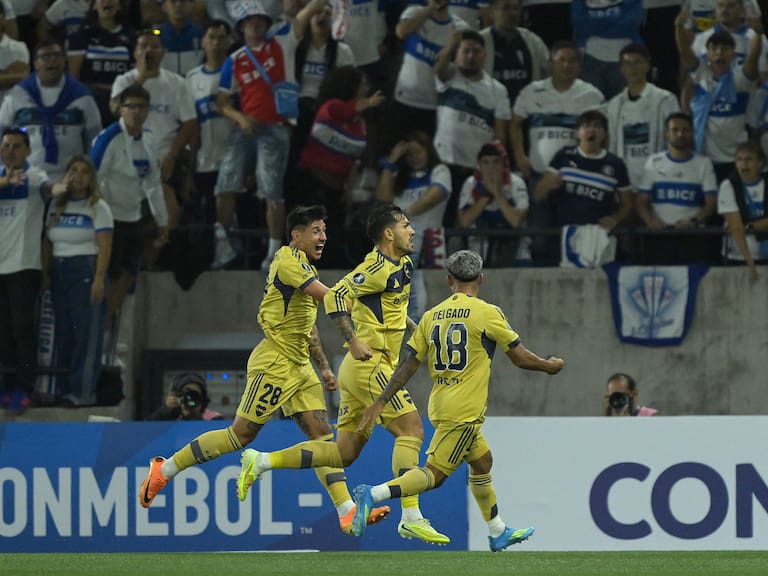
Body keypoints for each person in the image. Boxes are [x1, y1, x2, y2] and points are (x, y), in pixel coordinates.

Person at [138, 205, 391, 536]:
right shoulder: (287, 261)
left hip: (300, 365)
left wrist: (324, 368)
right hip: (274, 362)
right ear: (296, 235)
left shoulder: (305, 267)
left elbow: (308, 326)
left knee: (322, 438)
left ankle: (346, 510)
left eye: (325, 230)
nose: (324, 237)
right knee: (240, 436)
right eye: (316, 230)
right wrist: (369, 303)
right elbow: (330, 299)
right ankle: (164, 469)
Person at [237, 204, 452, 545]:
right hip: (369, 366)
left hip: (366, 369)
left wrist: (415, 329)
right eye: (405, 225)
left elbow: (393, 309)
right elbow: (335, 297)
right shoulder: (374, 268)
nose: (412, 231)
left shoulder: (405, 264)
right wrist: (352, 340)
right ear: (388, 233)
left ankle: (262, 461)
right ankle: (411, 516)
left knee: (344, 453)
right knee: (411, 429)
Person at [348, 249, 564, 550]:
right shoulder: (487, 312)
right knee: (434, 475)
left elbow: (409, 364)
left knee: (482, 462)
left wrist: (382, 400)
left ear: (449, 280)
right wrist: (548, 366)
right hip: (464, 412)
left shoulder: (431, 315)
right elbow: (519, 357)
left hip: (442, 404)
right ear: (481, 278)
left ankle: (497, 530)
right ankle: (374, 493)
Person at [213, 0, 327, 273]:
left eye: (260, 20)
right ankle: (222, 245)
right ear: (241, 27)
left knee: (272, 190)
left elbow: (306, 13)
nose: (255, 24)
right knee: (224, 185)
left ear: (267, 23)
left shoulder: (283, 40)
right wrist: (241, 118)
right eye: (250, 21)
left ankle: (274, 252)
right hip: (246, 126)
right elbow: (222, 102)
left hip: (276, 126)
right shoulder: (235, 59)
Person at [91, 84, 169, 341]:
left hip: (133, 215)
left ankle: (106, 321)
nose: (136, 112)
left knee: (128, 272)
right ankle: (100, 325)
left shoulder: (149, 140)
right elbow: (93, 177)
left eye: (141, 107)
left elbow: (153, 184)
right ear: (120, 110)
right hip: (108, 219)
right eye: (131, 107)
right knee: (107, 274)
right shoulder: (108, 138)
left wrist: (162, 220)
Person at [0, 126, 67, 412]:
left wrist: (62, 187)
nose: (10, 151)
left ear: (28, 150)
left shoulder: (35, 175)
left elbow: (50, 189)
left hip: (23, 265)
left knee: (22, 329)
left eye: (16, 146)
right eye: (6, 146)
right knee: (2, 331)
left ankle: (24, 387)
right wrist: (5, 182)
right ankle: (6, 384)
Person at [295, 66, 385, 269]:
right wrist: (369, 103)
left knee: (332, 238)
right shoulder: (331, 108)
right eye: (362, 85)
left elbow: (353, 161)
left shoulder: (359, 124)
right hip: (312, 185)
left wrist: (349, 190)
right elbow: (343, 110)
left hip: (336, 192)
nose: (367, 89)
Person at [42, 155, 113, 407]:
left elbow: (105, 245)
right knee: (64, 334)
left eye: (84, 172)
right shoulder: (55, 205)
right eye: (73, 170)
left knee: (86, 335)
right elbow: (47, 242)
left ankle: (83, 393)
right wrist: (46, 273)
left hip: (86, 271)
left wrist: (99, 279)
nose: (78, 176)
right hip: (60, 271)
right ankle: (61, 389)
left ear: (91, 178)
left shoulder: (98, 207)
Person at [534, 109, 633, 265]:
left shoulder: (616, 164)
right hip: (563, 235)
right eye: (586, 126)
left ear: (604, 134)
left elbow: (628, 203)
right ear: (578, 133)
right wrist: (548, 186)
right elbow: (538, 194)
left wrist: (615, 219)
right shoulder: (563, 156)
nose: (591, 130)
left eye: (597, 126)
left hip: (598, 237)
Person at [0, 37, 102, 182]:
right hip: (24, 179)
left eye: (56, 55)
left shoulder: (82, 96)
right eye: (46, 56)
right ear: (35, 63)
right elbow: (1, 136)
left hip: (71, 180)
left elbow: (95, 140)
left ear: (64, 61)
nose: (52, 60)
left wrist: (90, 176)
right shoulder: (17, 95)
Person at [375, 132, 451, 320]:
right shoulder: (401, 176)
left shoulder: (440, 171)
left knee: (419, 280)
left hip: (430, 239)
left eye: (418, 152)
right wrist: (391, 162)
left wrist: (403, 215)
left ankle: (415, 321)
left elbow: (434, 197)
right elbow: (383, 197)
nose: (414, 157)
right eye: (409, 154)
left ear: (428, 151)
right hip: (399, 239)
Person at [676, 17, 762, 183]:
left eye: (725, 48)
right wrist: (678, 26)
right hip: (706, 158)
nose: (719, 52)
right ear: (707, 53)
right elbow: (685, 53)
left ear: (733, 54)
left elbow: (753, 61)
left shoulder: (741, 78)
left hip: (736, 158)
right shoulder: (702, 75)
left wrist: (758, 34)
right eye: (714, 48)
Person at [636, 112, 719, 264]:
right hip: (659, 237)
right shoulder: (654, 161)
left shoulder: (703, 164)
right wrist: (650, 221)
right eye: (675, 130)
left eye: (685, 130)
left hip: (692, 238)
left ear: (692, 133)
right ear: (667, 133)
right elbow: (641, 201)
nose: (680, 134)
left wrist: (694, 222)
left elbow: (711, 204)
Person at [604, 44, 680, 191]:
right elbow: (612, 145)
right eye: (628, 63)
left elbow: (675, 140)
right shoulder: (614, 104)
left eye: (638, 62)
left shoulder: (665, 99)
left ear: (647, 65)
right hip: (626, 183)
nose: (633, 68)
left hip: (659, 180)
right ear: (621, 69)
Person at [185, 19, 233, 230]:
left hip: (235, 159)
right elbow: (192, 126)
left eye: (221, 38)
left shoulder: (239, 74)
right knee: (207, 223)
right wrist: (190, 169)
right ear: (203, 41)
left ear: (229, 41)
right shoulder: (192, 78)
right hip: (206, 161)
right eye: (211, 37)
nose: (216, 43)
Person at [456, 141, 530, 267]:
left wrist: (497, 194)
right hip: (478, 251)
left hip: (515, 251)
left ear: (503, 164)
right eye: (486, 163)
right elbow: (464, 223)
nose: (491, 168)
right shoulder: (470, 183)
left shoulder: (516, 183)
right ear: (479, 165)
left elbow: (516, 221)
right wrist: (485, 196)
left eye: (496, 162)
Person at [67, 0, 137, 124]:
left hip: (122, 98)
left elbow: (135, 74)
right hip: (91, 98)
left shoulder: (131, 36)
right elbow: (74, 77)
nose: (107, 1)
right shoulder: (82, 35)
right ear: (94, 5)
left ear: (119, 5)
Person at [479, 0, 549, 114]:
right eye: (505, 8)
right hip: (490, 112)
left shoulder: (532, 40)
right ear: (492, 12)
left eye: (516, 8)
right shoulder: (480, 41)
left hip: (526, 113)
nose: (512, 13)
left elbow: (549, 72)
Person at [717, 140, 768, 283]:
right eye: (739, 159)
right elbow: (735, 226)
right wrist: (749, 261)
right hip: (737, 257)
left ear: (760, 162)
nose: (743, 164)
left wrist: (751, 226)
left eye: (749, 159)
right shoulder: (728, 185)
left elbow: (744, 226)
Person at [147, 372, 223, 421]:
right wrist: (166, 410)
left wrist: (196, 416)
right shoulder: (168, 420)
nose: (190, 399)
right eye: (186, 394)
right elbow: (147, 432)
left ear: (203, 399)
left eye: (194, 395)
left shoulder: (214, 419)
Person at [159, 0, 204, 77]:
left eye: (183, 1)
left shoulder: (202, 33)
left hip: (195, 81)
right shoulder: (157, 34)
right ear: (164, 6)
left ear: (192, 5)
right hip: (165, 81)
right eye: (173, 1)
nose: (178, 5)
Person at [0, 2, 29, 102]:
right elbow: (13, 78)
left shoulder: (18, 48)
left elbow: (21, 81)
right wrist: (7, 74)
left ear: (3, 19)